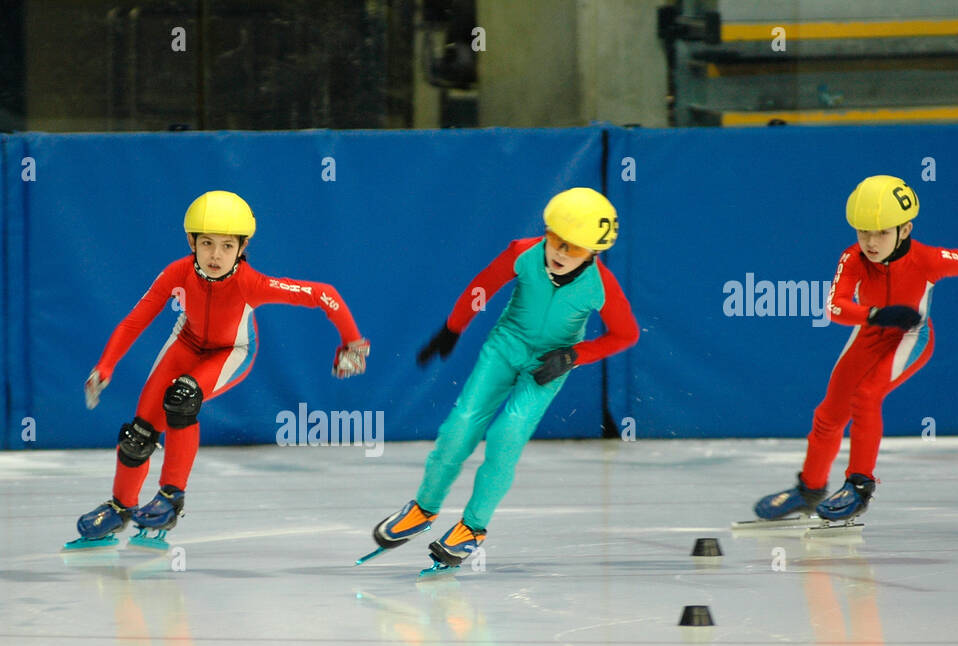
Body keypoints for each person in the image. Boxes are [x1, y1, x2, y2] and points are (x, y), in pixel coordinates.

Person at [369, 187, 640, 567]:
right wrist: (452, 328)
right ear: (546, 232)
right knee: (460, 426)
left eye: (574, 248)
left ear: (594, 253)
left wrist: (574, 356)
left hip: (548, 364)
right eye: (557, 241)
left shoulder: (602, 285)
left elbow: (626, 335)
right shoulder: (522, 253)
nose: (561, 253)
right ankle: (424, 508)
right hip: (505, 347)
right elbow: (483, 286)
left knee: (507, 435)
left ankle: (473, 527)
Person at [77, 190, 369, 541]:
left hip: (231, 352)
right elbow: (135, 320)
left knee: (182, 398)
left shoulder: (252, 284)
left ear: (242, 247)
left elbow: (326, 294)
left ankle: (170, 497)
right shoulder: (177, 273)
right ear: (191, 241)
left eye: (227, 246)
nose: (216, 255)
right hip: (184, 344)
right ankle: (121, 507)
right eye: (208, 243)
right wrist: (105, 366)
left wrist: (353, 342)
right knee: (137, 436)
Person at [754, 175, 958, 522]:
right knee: (828, 416)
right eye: (863, 232)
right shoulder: (853, 258)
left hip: (910, 338)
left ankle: (859, 486)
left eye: (881, 232)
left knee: (867, 396)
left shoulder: (929, 259)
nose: (871, 242)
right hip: (870, 333)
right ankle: (809, 491)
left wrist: (878, 317)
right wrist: (874, 315)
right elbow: (835, 306)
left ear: (905, 229)